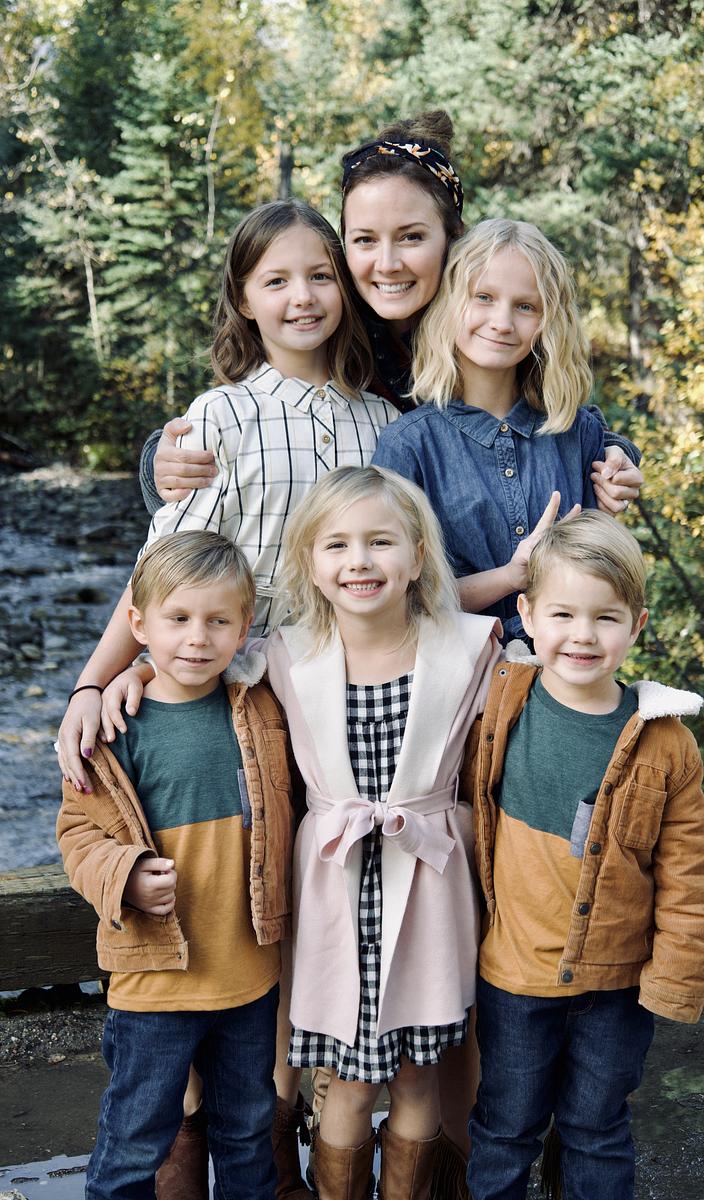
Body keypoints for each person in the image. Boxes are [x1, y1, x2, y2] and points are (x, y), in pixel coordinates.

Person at [56, 198, 395, 1200]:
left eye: (320, 275)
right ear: (244, 299)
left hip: (343, 714)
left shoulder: (383, 421)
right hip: (239, 698)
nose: (302, 297)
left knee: (289, 922)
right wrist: (96, 677)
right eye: (275, 280)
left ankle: (282, 1144)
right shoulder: (220, 418)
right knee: (221, 911)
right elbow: (165, 571)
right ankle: (196, 1153)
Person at [140, 112, 641, 519]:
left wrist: (616, 455)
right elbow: (250, 412)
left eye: (412, 237)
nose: (387, 263)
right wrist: (159, 462)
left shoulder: (484, 324)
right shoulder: (329, 322)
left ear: (453, 237)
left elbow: (555, 409)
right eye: (364, 240)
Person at [262, 465, 501, 1200]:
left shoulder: (470, 647)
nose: (359, 561)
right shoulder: (286, 654)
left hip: (428, 883)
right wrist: (126, 678)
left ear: (418, 556)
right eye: (336, 545)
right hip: (335, 888)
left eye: (381, 542)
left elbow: (551, 691)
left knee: (419, 1075)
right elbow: (191, 669)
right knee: (349, 1080)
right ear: (310, 563)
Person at [466, 511, 704, 1200]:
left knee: (597, 1128)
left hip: (617, 983)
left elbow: (687, 875)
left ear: (636, 626)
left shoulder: (665, 741)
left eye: (606, 618)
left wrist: (674, 978)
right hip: (515, 978)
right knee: (506, 1126)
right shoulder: (500, 703)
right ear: (527, 615)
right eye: (563, 614)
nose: (582, 635)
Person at [56, 531, 294, 1199]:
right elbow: (78, 832)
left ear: (244, 627)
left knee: (248, 1135)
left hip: (249, 979)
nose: (197, 638)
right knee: (135, 1142)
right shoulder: (114, 728)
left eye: (218, 621)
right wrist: (124, 875)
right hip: (155, 984)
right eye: (178, 619)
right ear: (138, 625)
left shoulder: (261, 708)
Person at [373, 217, 605, 645]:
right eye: (483, 297)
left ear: (548, 322)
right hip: (460, 674)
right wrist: (510, 576)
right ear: (450, 303)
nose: (502, 322)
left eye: (526, 306)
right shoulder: (409, 445)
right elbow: (395, 601)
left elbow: (605, 577)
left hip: (568, 670)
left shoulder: (577, 433)